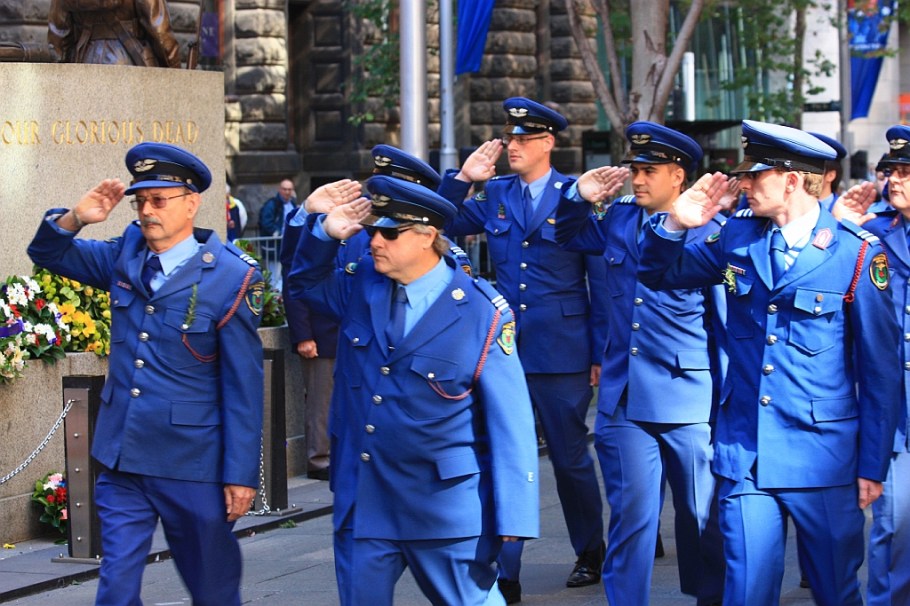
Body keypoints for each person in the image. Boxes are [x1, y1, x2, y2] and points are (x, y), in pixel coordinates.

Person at [638, 120, 901, 605]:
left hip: (823, 459)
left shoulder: (856, 254)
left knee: (835, 590)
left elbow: (881, 372)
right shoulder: (738, 239)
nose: (742, 184)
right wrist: (677, 222)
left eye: (755, 175)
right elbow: (658, 274)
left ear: (793, 180)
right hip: (747, 452)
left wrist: (873, 464)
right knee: (745, 589)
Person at [27, 142, 265, 605]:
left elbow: (243, 387)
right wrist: (77, 218)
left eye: (159, 200)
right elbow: (48, 253)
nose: (147, 211)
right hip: (124, 458)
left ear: (191, 203)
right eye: (140, 201)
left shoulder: (230, 278)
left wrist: (241, 474)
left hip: (192, 464)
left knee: (212, 589)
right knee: (116, 588)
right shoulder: (125, 256)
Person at [289, 174, 540, 605]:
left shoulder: (482, 312)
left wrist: (515, 516)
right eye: (372, 231)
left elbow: (511, 423)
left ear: (429, 236)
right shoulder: (361, 283)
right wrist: (323, 231)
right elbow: (303, 285)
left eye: (390, 232)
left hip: (441, 508)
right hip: (365, 498)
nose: (375, 242)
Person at [438, 97, 605, 601]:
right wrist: (463, 178)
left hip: (562, 348)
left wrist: (597, 352)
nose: (512, 146)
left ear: (548, 143)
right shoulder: (497, 193)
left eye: (523, 139)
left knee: (570, 455)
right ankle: (505, 570)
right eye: (509, 138)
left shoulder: (574, 193)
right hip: (504, 349)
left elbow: (597, 275)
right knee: (504, 456)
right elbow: (442, 226)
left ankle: (590, 549)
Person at [555, 121, 726, 605]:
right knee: (632, 515)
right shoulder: (621, 217)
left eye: (649, 170)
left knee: (698, 515)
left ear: (679, 175)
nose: (637, 178)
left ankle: (707, 596)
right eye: (634, 169)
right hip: (624, 394)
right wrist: (576, 196)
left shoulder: (710, 230)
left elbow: (724, 324)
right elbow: (567, 235)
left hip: (685, 394)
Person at [834, 124, 910, 606]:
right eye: (893, 170)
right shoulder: (873, 231)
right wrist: (838, 220)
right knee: (894, 525)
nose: (896, 179)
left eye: (907, 171)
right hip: (895, 410)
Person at [280, 178, 363, 481]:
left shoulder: (360, 235)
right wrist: (303, 335)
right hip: (322, 336)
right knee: (320, 403)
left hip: (350, 337)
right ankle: (319, 459)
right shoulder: (315, 232)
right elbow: (295, 279)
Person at [48, 0, 180, 67]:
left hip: (83, 60)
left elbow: (58, 35)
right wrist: (176, 72)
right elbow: (160, 32)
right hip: (128, 60)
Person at [259, 178, 298, 288]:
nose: (287, 192)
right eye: (284, 189)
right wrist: (277, 232)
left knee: (286, 273)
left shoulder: (293, 204)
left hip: (289, 244)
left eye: (289, 189)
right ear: (279, 190)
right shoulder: (272, 204)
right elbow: (266, 222)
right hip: (275, 244)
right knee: (274, 274)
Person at [809, 132, 847, 213]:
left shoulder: (845, 212)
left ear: (830, 175)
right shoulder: (791, 211)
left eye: (811, 170)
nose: (803, 175)